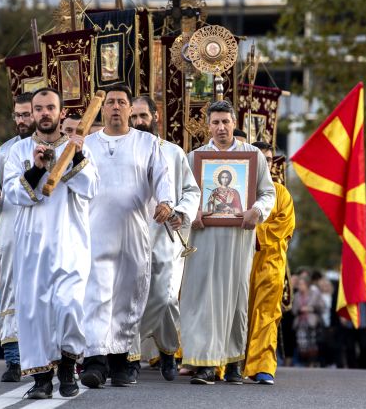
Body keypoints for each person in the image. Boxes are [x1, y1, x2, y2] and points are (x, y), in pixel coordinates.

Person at [4, 87, 98, 399]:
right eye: (38, 108)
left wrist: (76, 156)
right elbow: (14, 195)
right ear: (32, 114)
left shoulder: (76, 148)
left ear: (60, 112)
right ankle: (42, 378)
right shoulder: (18, 152)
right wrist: (37, 168)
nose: (44, 113)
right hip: (32, 246)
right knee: (34, 311)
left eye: (50, 108)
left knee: (69, 305)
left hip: (70, 242)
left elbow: (91, 188)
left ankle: (68, 365)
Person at [81, 85, 173, 388]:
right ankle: (94, 362)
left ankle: (120, 361)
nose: (117, 107)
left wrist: (165, 201)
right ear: (102, 108)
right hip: (95, 229)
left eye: (122, 102)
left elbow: (163, 177)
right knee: (96, 296)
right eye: (111, 102)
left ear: (130, 109)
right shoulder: (87, 144)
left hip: (134, 229)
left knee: (128, 296)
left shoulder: (148, 143)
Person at [181, 100, 275, 385]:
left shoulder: (253, 156)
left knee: (235, 298)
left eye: (226, 122)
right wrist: (191, 212)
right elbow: (183, 194)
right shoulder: (194, 158)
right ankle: (206, 364)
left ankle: (234, 361)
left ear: (235, 123)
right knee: (203, 298)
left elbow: (267, 193)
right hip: (204, 238)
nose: (221, 128)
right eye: (216, 122)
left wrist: (256, 210)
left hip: (238, 238)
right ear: (207, 125)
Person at [126, 95, 200, 382]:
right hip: (130, 234)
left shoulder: (173, 152)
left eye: (143, 116)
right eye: (134, 117)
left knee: (166, 298)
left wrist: (181, 211)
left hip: (166, 234)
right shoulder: (124, 150)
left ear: (156, 117)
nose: (139, 122)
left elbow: (191, 191)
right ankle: (129, 356)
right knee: (130, 298)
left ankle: (168, 351)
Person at [0, 92, 35, 382]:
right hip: (11, 230)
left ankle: (47, 358)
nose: (23, 120)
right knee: (11, 292)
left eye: (27, 114)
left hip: (41, 231)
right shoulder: (5, 151)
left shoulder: (49, 148)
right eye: (18, 115)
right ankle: (13, 359)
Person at [244, 140, 295, 385]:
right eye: (260, 159)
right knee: (236, 313)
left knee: (266, 315)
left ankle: (262, 366)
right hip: (240, 264)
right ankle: (229, 363)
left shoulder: (281, 193)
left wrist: (252, 234)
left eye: (268, 159)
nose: (265, 163)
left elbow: (284, 226)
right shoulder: (239, 190)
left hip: (269, 265)